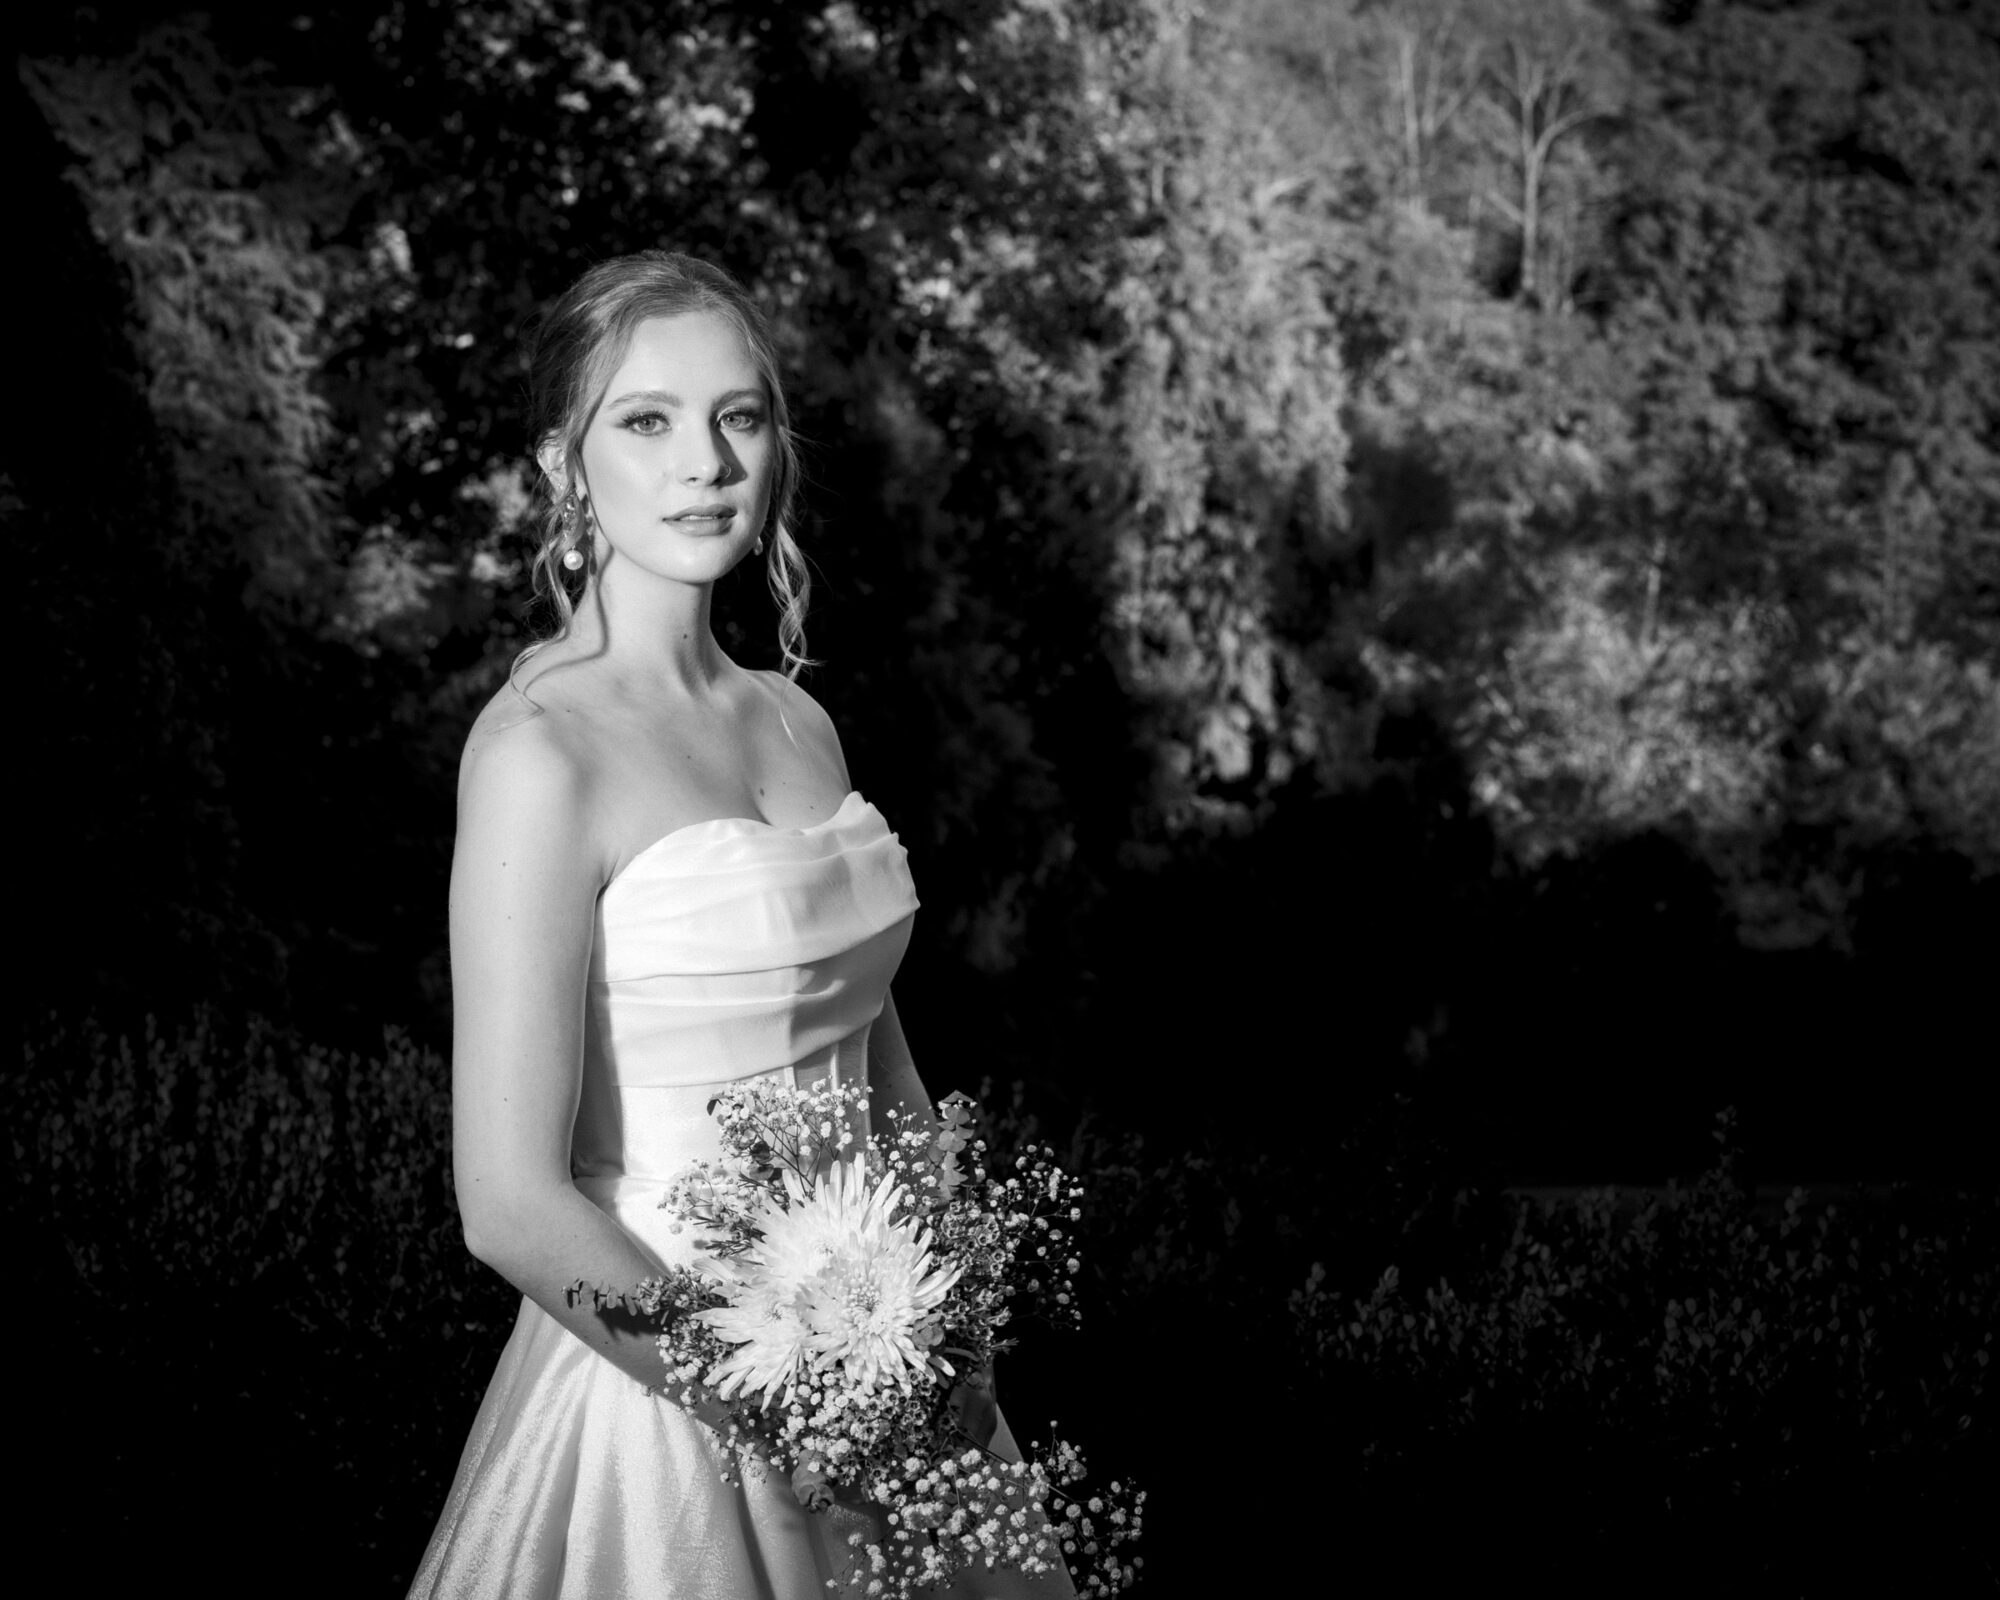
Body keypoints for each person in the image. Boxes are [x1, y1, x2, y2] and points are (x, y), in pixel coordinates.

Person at [408, 251, 1074, 1599]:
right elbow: (511, 1203)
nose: (704, 461)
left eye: (740, 416)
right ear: (561, 465)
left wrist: (954, 1324)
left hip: (887, 1350)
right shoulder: (542, 759)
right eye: (646, 421)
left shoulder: (795, 719)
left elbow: (876, 1058)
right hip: (668, 1394)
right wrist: (782, 1406)